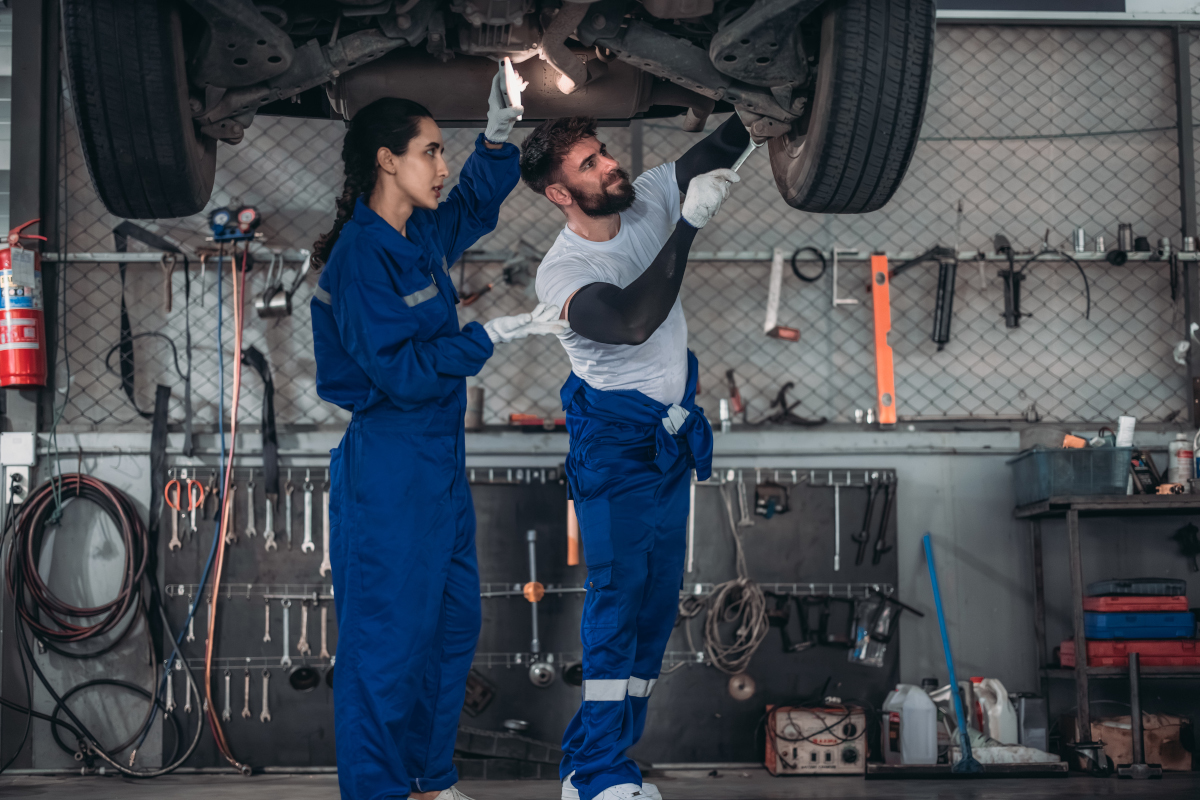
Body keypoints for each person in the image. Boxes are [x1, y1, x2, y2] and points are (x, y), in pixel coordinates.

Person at [310, 74, 566, 800]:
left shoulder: (415, 236)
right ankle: (379, 790)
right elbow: (404, 374)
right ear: (387, 161)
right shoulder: (361, 259)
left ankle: (427, 779)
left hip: (437, 467)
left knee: (450, 631)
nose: (442, 165)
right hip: (390, 469)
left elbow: (474, 206)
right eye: (431, 152)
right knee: (387, 648)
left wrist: (495, 137)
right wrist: (490, 335)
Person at [520, 114, 751, 800]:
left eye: (603, 153)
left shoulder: (646, 194)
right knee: (618, 596)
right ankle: (590, 776)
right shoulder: (561, 273)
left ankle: (610, 760)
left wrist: (761, 108)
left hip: (668, 441)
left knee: (656, 601)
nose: (608, 167)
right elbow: (632, 322)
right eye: (588, 166)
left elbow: (718, 146)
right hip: (616, 448)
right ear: (560, 194)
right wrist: (690, 229)